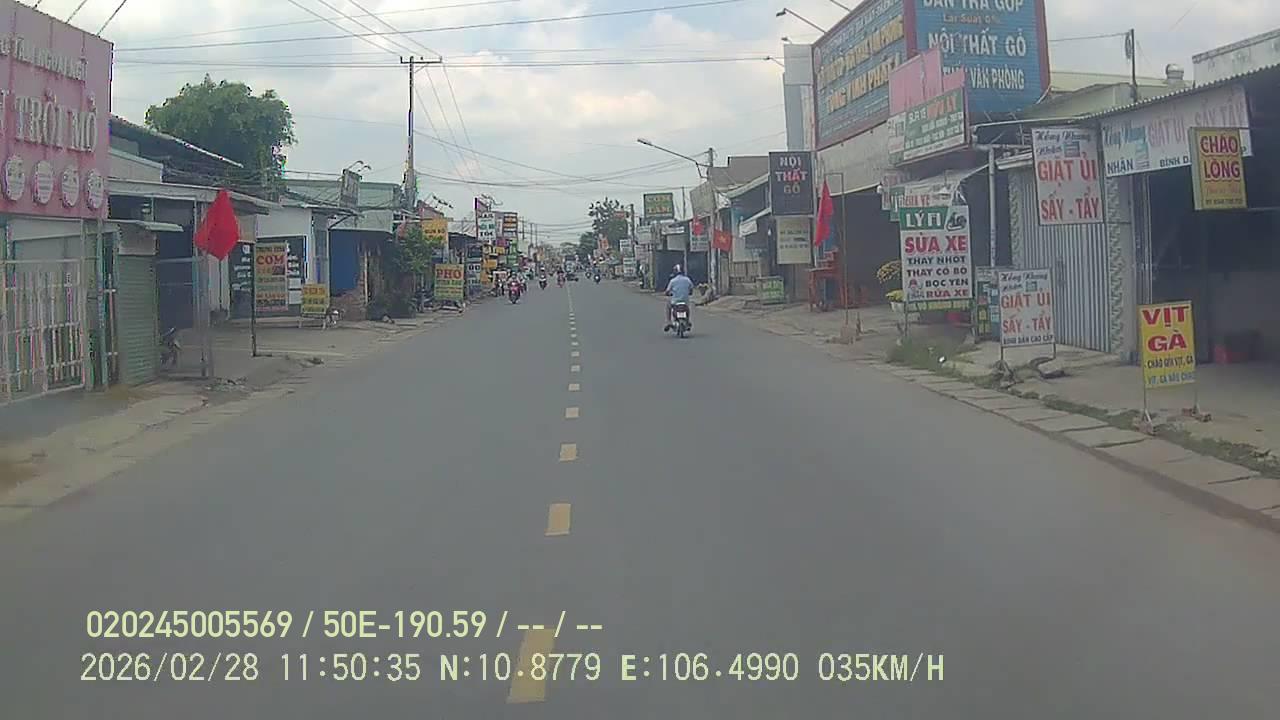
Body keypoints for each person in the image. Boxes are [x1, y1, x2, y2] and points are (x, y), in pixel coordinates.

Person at [663, 264, 695, 332]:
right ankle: (687, 321)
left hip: (675, 302)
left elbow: (667, 291)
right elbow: (691, 289)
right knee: (687, 308)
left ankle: (669, 322)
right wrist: (689, 293)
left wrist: (668, 294)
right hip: (685, 301)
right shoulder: (687, 280)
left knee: (668, 305)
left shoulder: (672, 281)